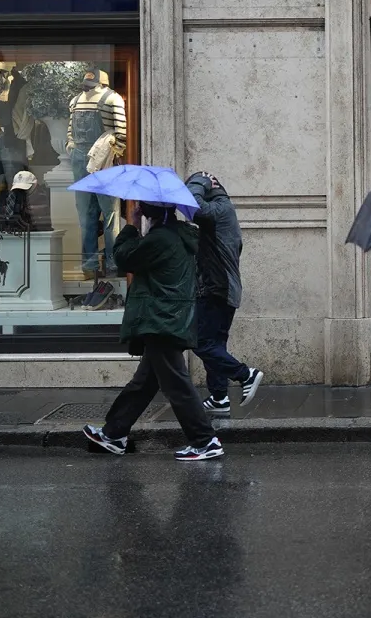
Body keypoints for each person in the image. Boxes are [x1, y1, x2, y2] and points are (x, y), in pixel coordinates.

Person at [84, 201, 223, 461]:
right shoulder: (176, 234)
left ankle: (205, 441)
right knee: (144, 383)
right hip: (167, 318)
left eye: (143, 212)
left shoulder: (160, 239)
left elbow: (124, 258)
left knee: (177, 384)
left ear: (148, 214)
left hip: (161, 320)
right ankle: (113, 434)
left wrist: (131, 225)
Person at [186, 171, 263, 416]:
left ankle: (245, 374)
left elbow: (195, 209)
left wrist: (199, 180)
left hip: (217, 288)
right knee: (215, 343)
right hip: (221, 287)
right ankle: (219, 397)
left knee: (201, 342)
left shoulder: (220, 210)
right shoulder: (220, 212)